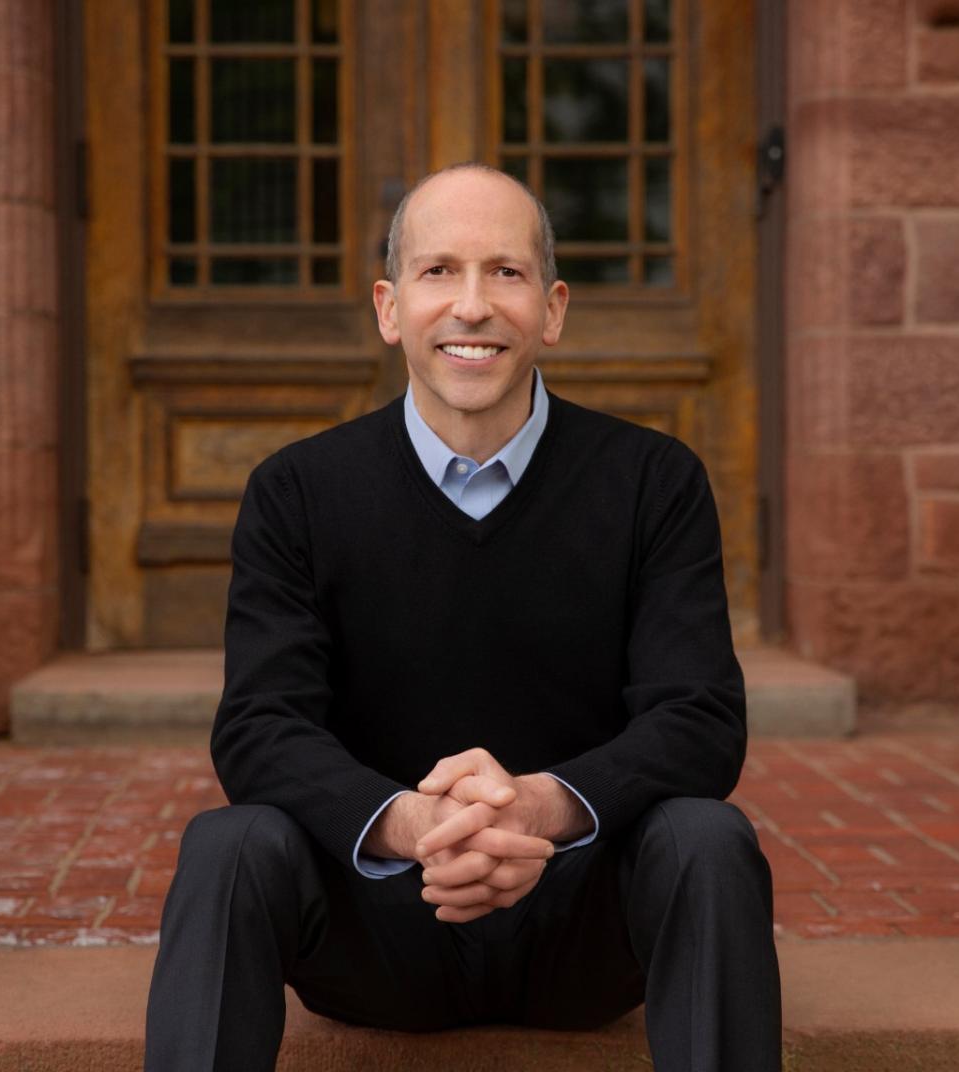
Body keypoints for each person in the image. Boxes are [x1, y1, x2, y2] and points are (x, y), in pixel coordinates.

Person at [144, 163, 781, 1072]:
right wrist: (408, 826)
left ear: (553, 309)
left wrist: (539, 808)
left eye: (506, 273)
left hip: (583, 930)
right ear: (389, 307)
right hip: (377, 931)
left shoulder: (653, 482)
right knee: (228, 845)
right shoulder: (296, 492)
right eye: (439, 271)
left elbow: (702, 719)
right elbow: (259, 726)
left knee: (709, 842)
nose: (472, 306)